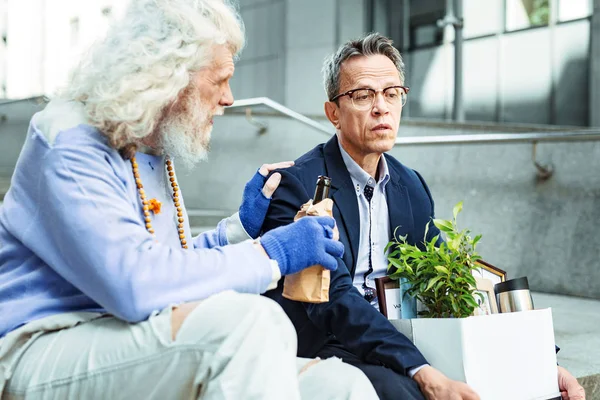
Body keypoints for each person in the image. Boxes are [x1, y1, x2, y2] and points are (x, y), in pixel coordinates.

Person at [0, 1, 379, 399]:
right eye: (221, 79)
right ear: (170, 76)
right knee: (250, 326)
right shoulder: (69, 142)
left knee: (340, 383)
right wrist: (271, 254)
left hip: (124, 336)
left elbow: (165, 265)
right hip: (40, 344)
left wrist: (238, 231)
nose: (230, 98)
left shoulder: (145, 140)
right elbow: (136, 284)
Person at [262, 33, 586, 400]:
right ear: (333, 112)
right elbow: (331, 300)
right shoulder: (297, 186)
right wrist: (421, 369)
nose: (381, 107)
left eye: (392, 93)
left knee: (537, 387)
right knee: (411, 394)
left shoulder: (410, 184)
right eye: (363, 95)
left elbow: (452, 276)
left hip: (401, 334)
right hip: (327, 341)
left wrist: (538, 359)